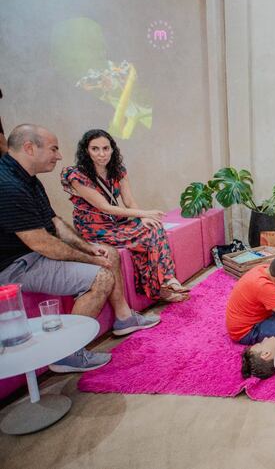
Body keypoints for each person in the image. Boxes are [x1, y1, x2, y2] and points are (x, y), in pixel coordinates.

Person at [0, 124, 160, 372]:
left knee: (108, 252)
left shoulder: (28, 179)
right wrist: (91, 260)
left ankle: (124, 318)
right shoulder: (8, 185)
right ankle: (66, 354)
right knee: (101, 277)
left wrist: (89, 249)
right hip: (16, 267)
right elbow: (42, 243)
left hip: (34, 253)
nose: (59, 155)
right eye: (53, 149)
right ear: (29, 148)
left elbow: (55, 223)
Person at [61, 129, 188, 302]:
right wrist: (144, 213)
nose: (101, 154)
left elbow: (128, 201)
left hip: (115, 223)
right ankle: (161, 288)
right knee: (147, 235)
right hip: (94, 228)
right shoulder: (77, 175)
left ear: (112, 149)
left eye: (106, 148)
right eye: (95, 149)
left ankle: (165, 280)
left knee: (154, 226)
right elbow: (105, 207)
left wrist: (143, 218)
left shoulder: (117, 170)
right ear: (86, 151)